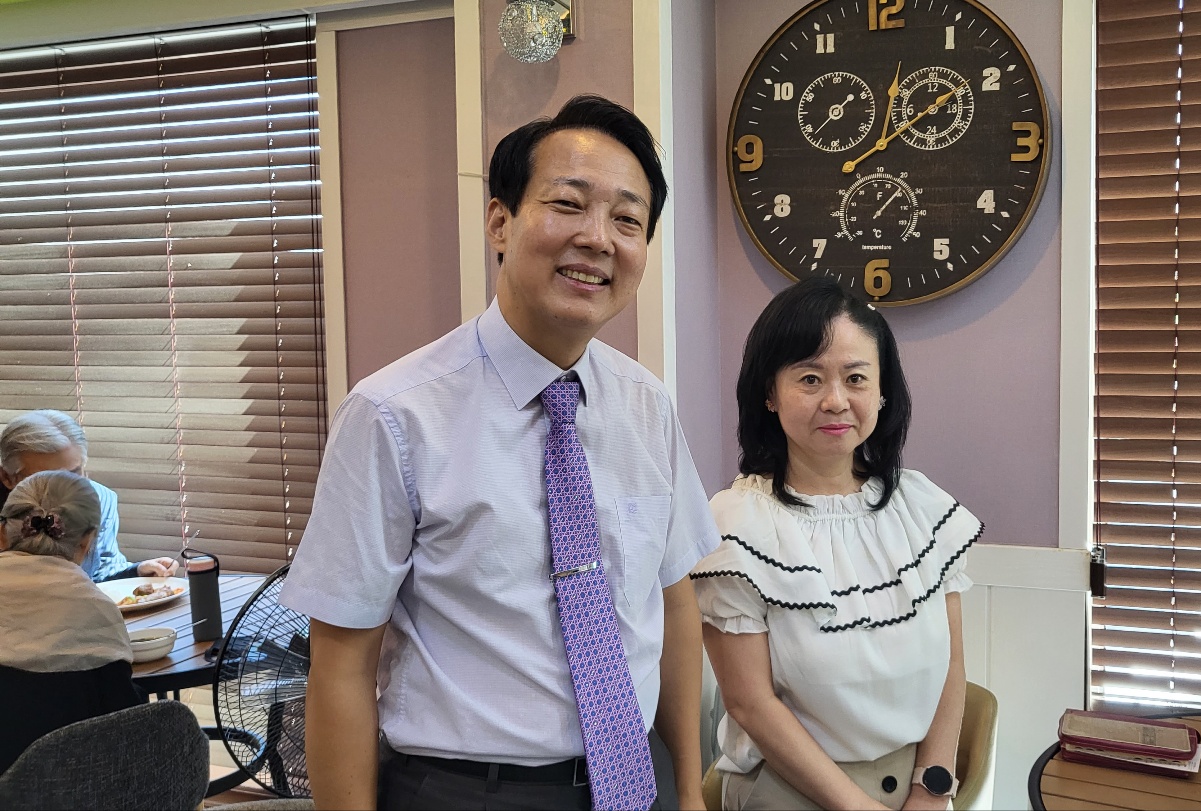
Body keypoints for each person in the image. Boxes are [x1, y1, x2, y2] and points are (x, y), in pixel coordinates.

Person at [280, 94, 720, 811]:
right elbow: (340, 662)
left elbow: (673, 603)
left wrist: (691, 792)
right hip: (469, 792)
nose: (598, 239)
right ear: (500, 222)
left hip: (635, 781)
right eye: (569, 204)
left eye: (627, 220)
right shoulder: (394, 414)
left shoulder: (648, 405)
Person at [691, 277, 982, 811]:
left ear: (882, 392)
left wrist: (930, 790)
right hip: (789, 791)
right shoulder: (737, 524)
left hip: (916, 786)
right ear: (769, 393)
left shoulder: (919, 508)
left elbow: (952, 666)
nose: (836, 401)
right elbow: (750, 704)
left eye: (856, 378)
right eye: (809, 378)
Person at [0, 469, 145, 774]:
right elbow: (124, 724)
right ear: (88, 541)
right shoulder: (94, 608)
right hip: (75, 781)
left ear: (2, 534)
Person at [0, 410, 178, 583]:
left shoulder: (100, 500)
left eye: (73, 474)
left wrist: (136, 572)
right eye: (44, 480)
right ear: (7, 478)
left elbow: (99, 573)